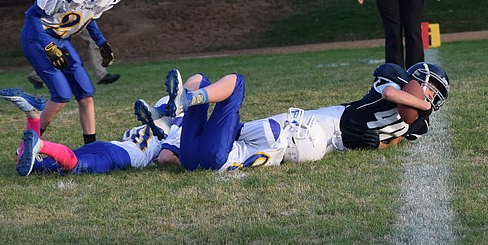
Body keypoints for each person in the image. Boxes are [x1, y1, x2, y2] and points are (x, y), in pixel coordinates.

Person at [133, 61, 450, 171]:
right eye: (430, 88)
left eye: (434, 94)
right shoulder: (394, 78)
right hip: (314, 133)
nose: (429, 96)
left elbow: (399, 135)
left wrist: (379, 144)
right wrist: (422, 105)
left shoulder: (418, 123)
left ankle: (174, 112)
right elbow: (390, 95)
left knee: (231, 88)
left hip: (308, 133)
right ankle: (171, 115)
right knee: (234, 130)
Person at [20, 0, 131, 145]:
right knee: (61, 95)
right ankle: (29, 143)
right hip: (37, 38)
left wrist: (101, 42)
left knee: (86, 94)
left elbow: (87, 16)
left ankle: (91, 146)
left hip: (61, 40)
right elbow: (32, 16)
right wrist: (49, 47)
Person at [0, 88, 163, 176]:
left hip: (108, 146)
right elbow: (167, 157)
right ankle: (40, 144)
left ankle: (33, 116)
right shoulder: (175, 128)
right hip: (121, 156)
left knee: (36, 167)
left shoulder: (158, 118)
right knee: (75, 166)